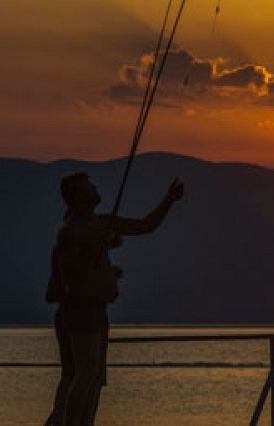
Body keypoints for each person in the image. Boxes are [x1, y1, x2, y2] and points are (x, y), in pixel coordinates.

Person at [45, 172, 184, 426]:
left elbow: (145, 226)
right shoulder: (70, 232)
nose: (95, 188)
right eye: (89, 186)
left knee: (94, 378)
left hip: (97, 310)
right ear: (77, 196)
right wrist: (97, 253)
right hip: (81, 310)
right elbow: (70, 277)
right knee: (84, 375)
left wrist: (168, 200)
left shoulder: (103, 224)